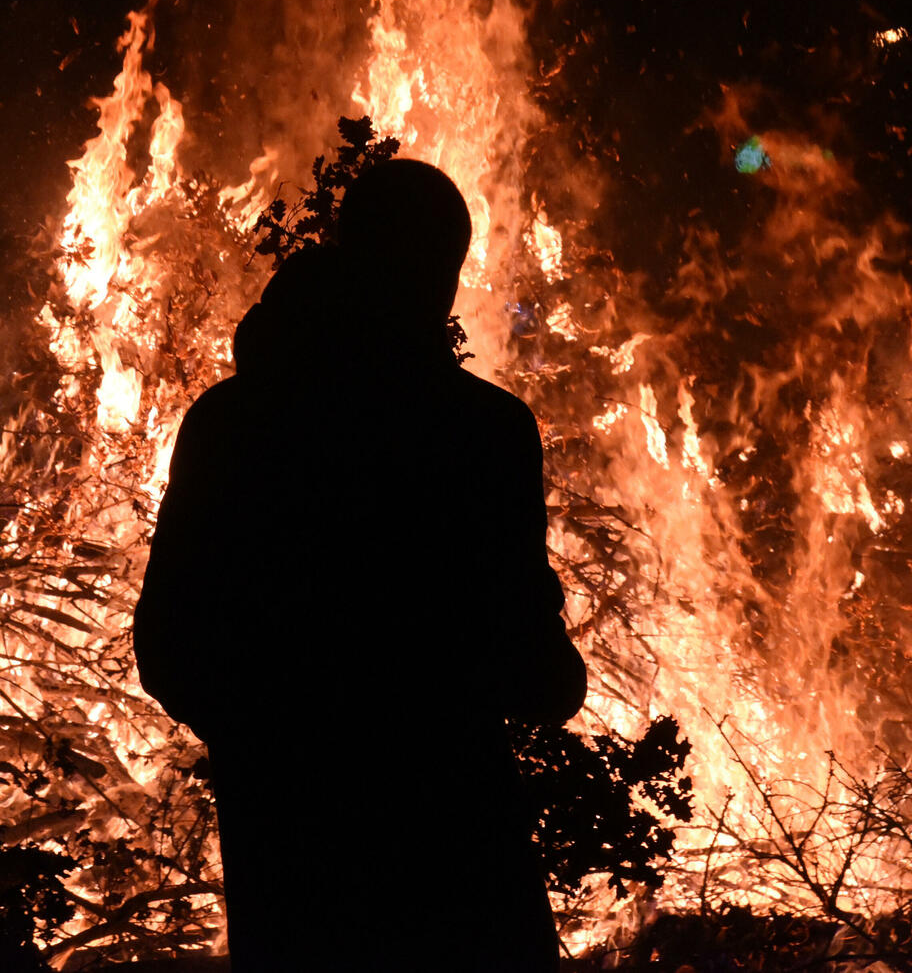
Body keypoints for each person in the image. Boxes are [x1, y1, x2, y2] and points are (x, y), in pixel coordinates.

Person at [133, 158, 587, 971]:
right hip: (458, 855)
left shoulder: (231, 421)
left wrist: (266, 745)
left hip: (291, 863)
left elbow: (167, 642)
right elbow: (543, 681)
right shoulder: (481, 434)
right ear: (441, 272)